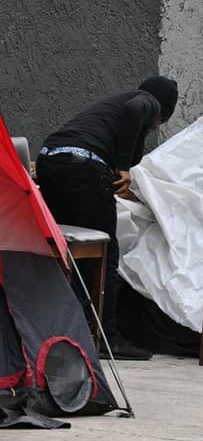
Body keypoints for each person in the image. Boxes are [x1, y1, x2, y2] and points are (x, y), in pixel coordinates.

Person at [36, 76, 179, 361]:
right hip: (84, 166)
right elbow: (136, 111)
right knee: (104, 252)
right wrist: (123, 167)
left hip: (51, 160)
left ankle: (60, 329)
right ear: (161, 113)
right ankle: (106, 338)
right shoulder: (147, 102)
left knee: (70, 251)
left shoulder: (110, 108)